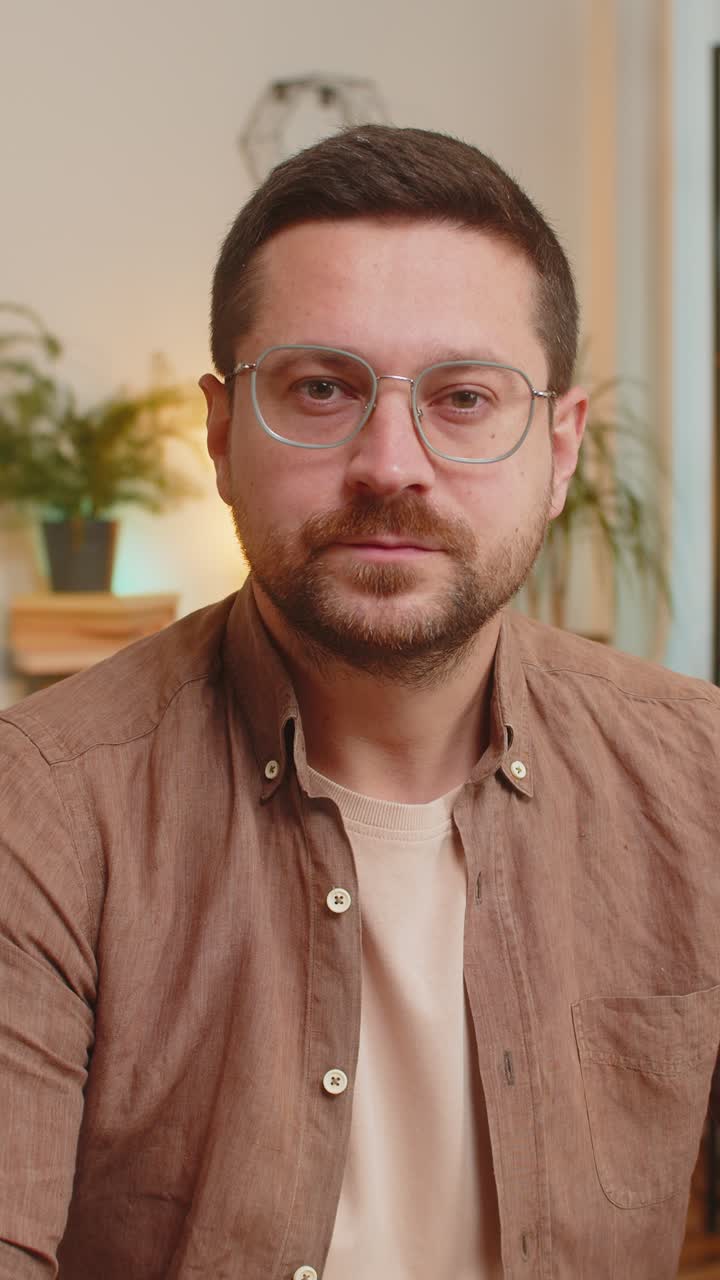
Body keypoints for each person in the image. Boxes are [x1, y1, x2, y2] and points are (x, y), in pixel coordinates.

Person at [1, 124, 718, 1280]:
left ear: (561, 444)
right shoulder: (36, 807)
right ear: (223, 428)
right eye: (323, 387)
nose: (393, 461)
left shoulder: (700, 775)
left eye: (467, 396)